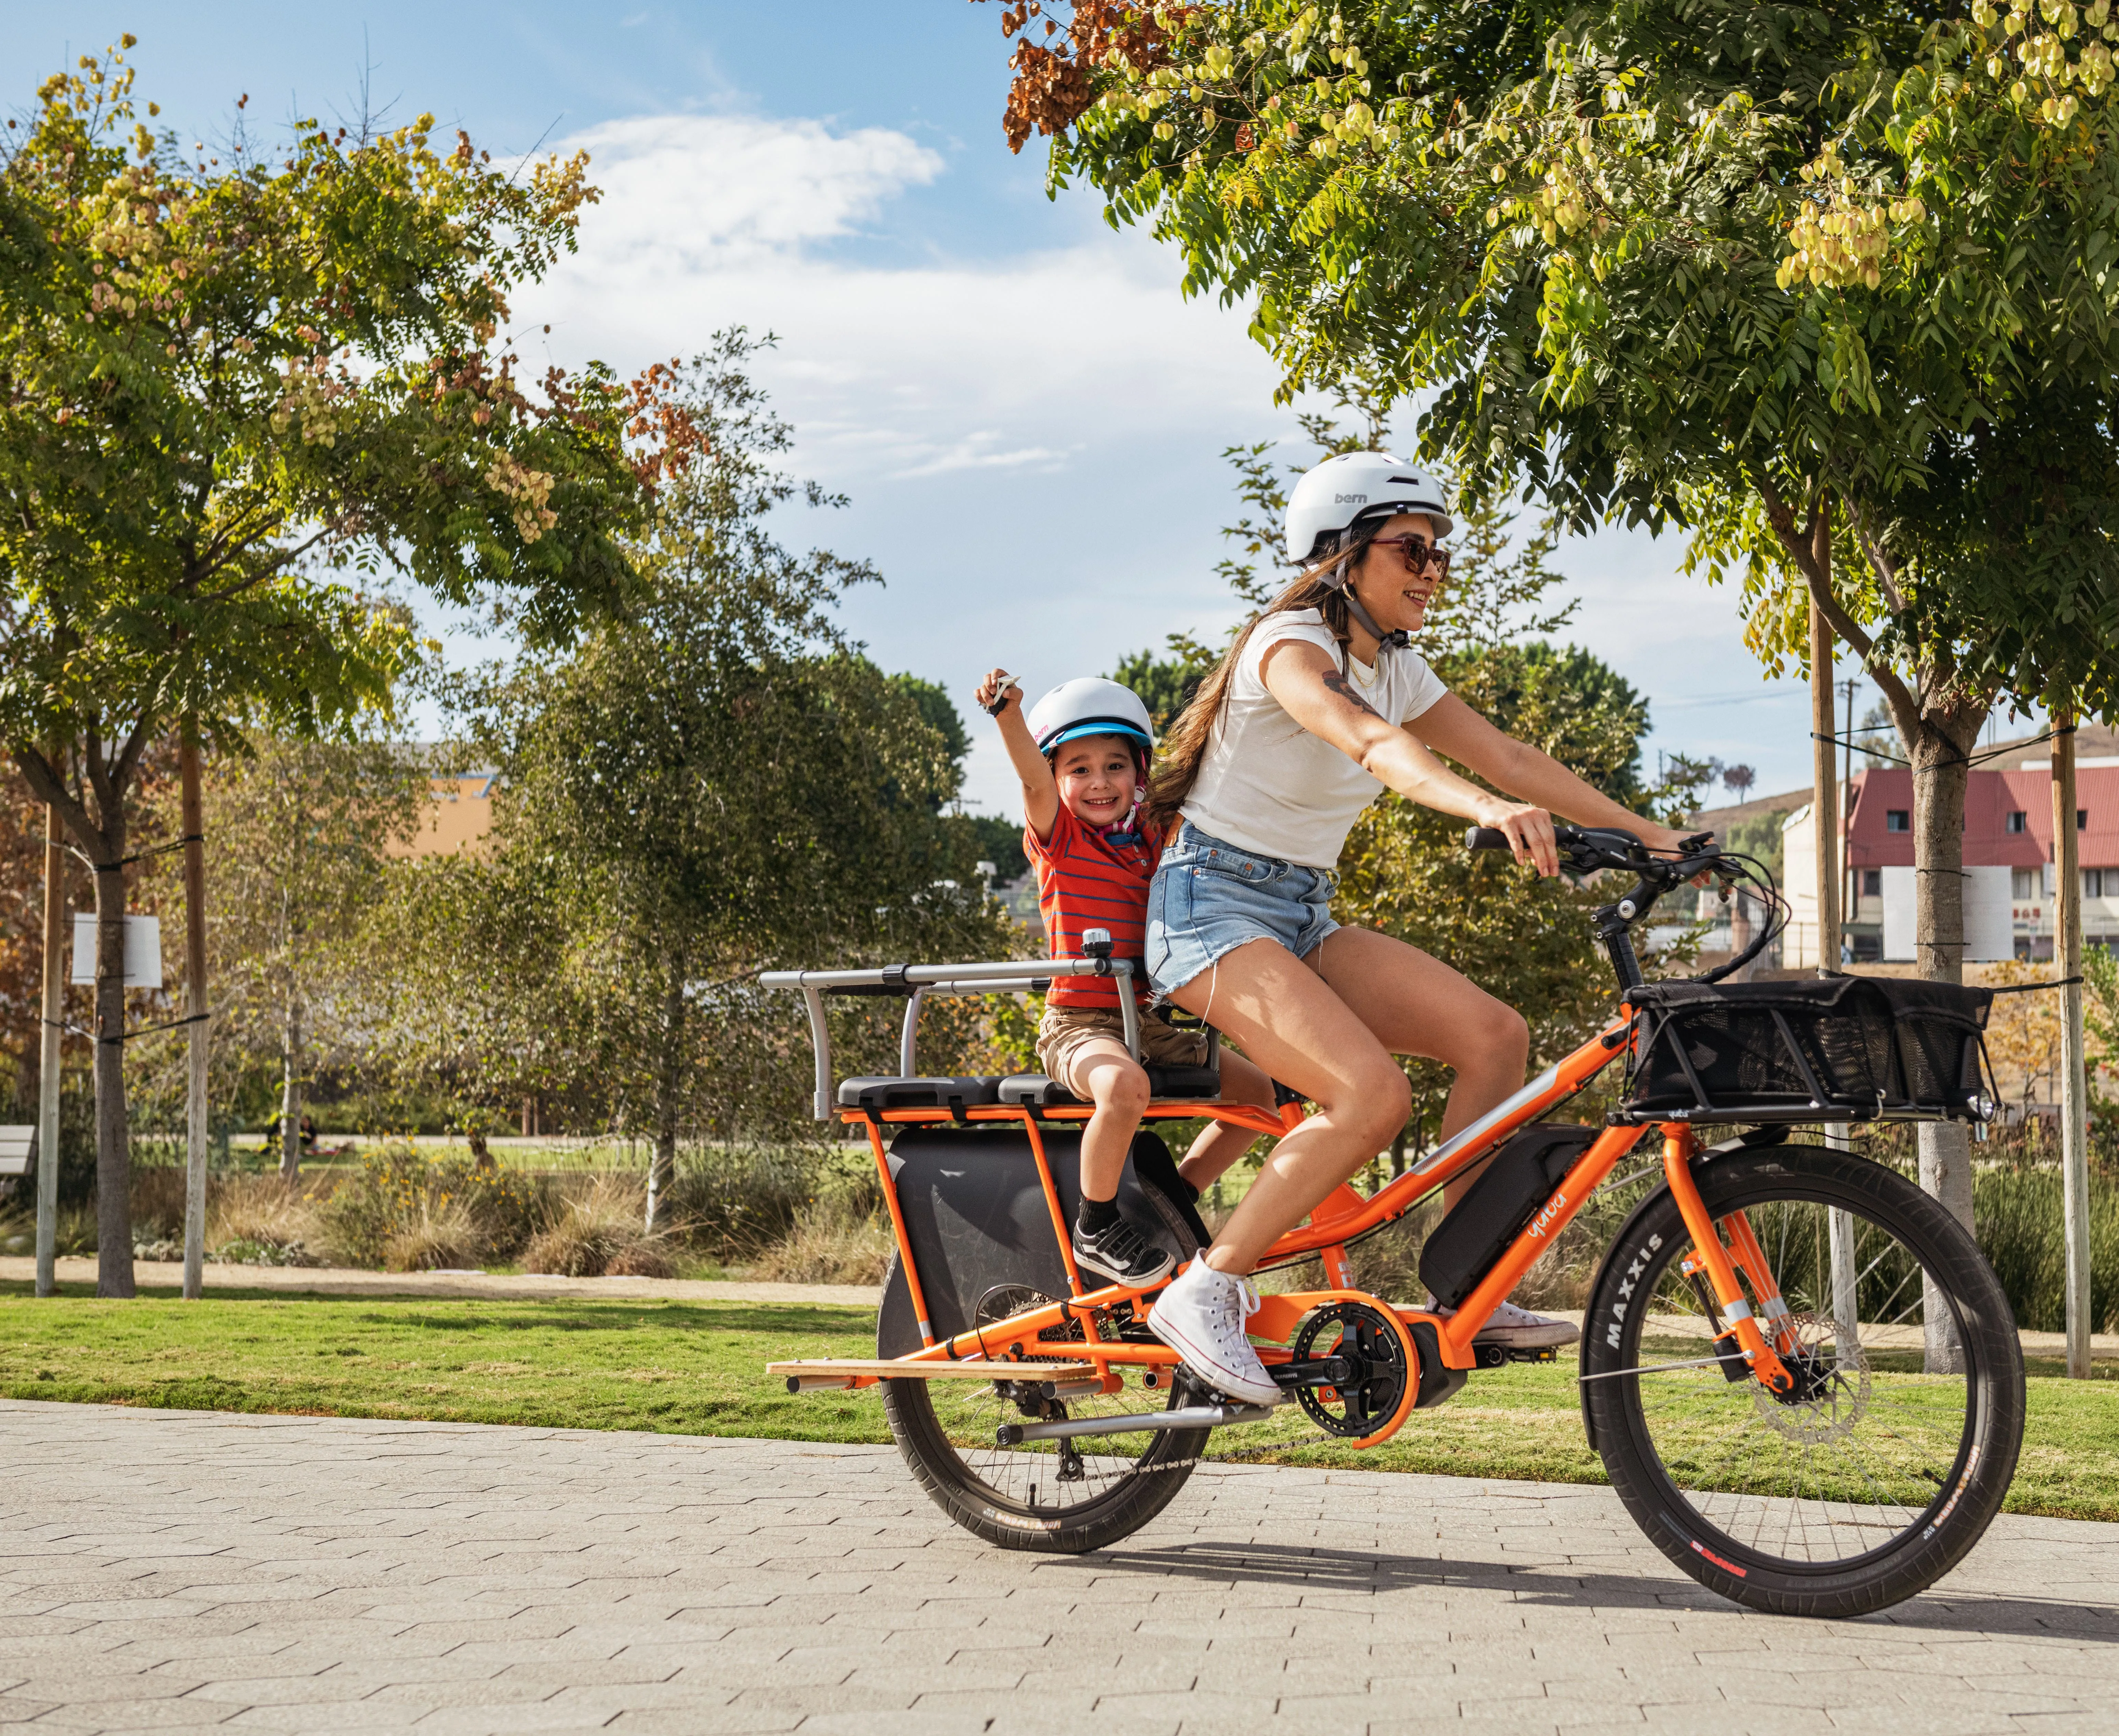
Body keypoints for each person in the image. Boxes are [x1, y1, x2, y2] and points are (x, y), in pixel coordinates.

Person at [1140, 453, 1708, 1405]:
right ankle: (1208, 1286)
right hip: (1207, 908)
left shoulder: (1394, 666)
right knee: (1370, 1096)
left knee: (1494, 1035)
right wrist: (1481, 810)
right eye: (1411, 548)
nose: (1432, 569)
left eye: (1441, 554)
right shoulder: (1286, 647)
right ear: (1342, 555)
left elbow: (1509, 753)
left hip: (1296, 912)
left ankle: (1469, 1285)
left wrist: (1652, 834)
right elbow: (1372, 744)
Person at [975, 670, 1277, 1286]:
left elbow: (1207, 790)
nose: (1098, 781)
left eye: (1115, 766)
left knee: (1262, 1096)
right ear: (1058, 781)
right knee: (1123, 1088)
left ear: (1140, 774)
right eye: (1078, 768)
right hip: (1079, 1023)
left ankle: (1175, 1193)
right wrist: (1008, 716)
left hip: (1146, 1022)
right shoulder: (1059, 838)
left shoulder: (1149, 843)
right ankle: (1097, 1224)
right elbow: (1032, 776)